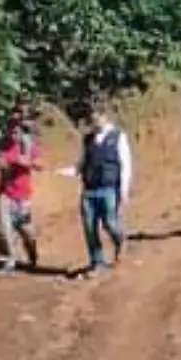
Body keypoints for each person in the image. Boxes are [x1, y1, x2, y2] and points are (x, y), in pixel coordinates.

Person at [57, 103, 132, 274]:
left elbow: (125, 165)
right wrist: (65, 171)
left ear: (104, 116)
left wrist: (124, 190)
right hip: (89, 190)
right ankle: (97, 263)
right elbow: (81, 164)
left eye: (96, 118)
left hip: (108, 189)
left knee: (110, 223)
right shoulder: (88, 139)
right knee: (89, 228)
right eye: (91, 119)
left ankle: (120, 240)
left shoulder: (118, 137)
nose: (93, 122)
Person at [0, 103, 41, 274]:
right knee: (3, 229)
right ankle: (8, 261)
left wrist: (24, 162)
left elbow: (40, 164)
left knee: (28, 232)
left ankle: (32, 252)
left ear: (21, 132)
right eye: (10, 131)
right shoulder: (1, 146)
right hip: (6, 194)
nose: (13, 134)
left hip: (23, 196)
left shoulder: (28, 146)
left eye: (16, 131)